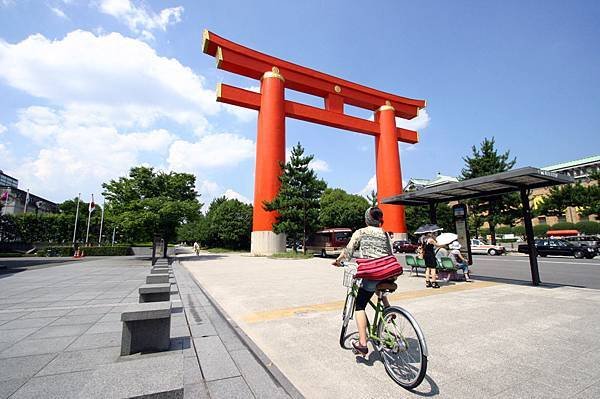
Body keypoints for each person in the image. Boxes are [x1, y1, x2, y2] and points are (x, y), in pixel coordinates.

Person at [332, 206, 393, 356]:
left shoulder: (361, 232)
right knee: (378, 283)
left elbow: (348, 251)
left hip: (371, 272)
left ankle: (363, 344)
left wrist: (339, 261)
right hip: (389, 272)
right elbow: (390, 253)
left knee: (360, 305)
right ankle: (388, 309)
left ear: (367, 219)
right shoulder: (385, 234)